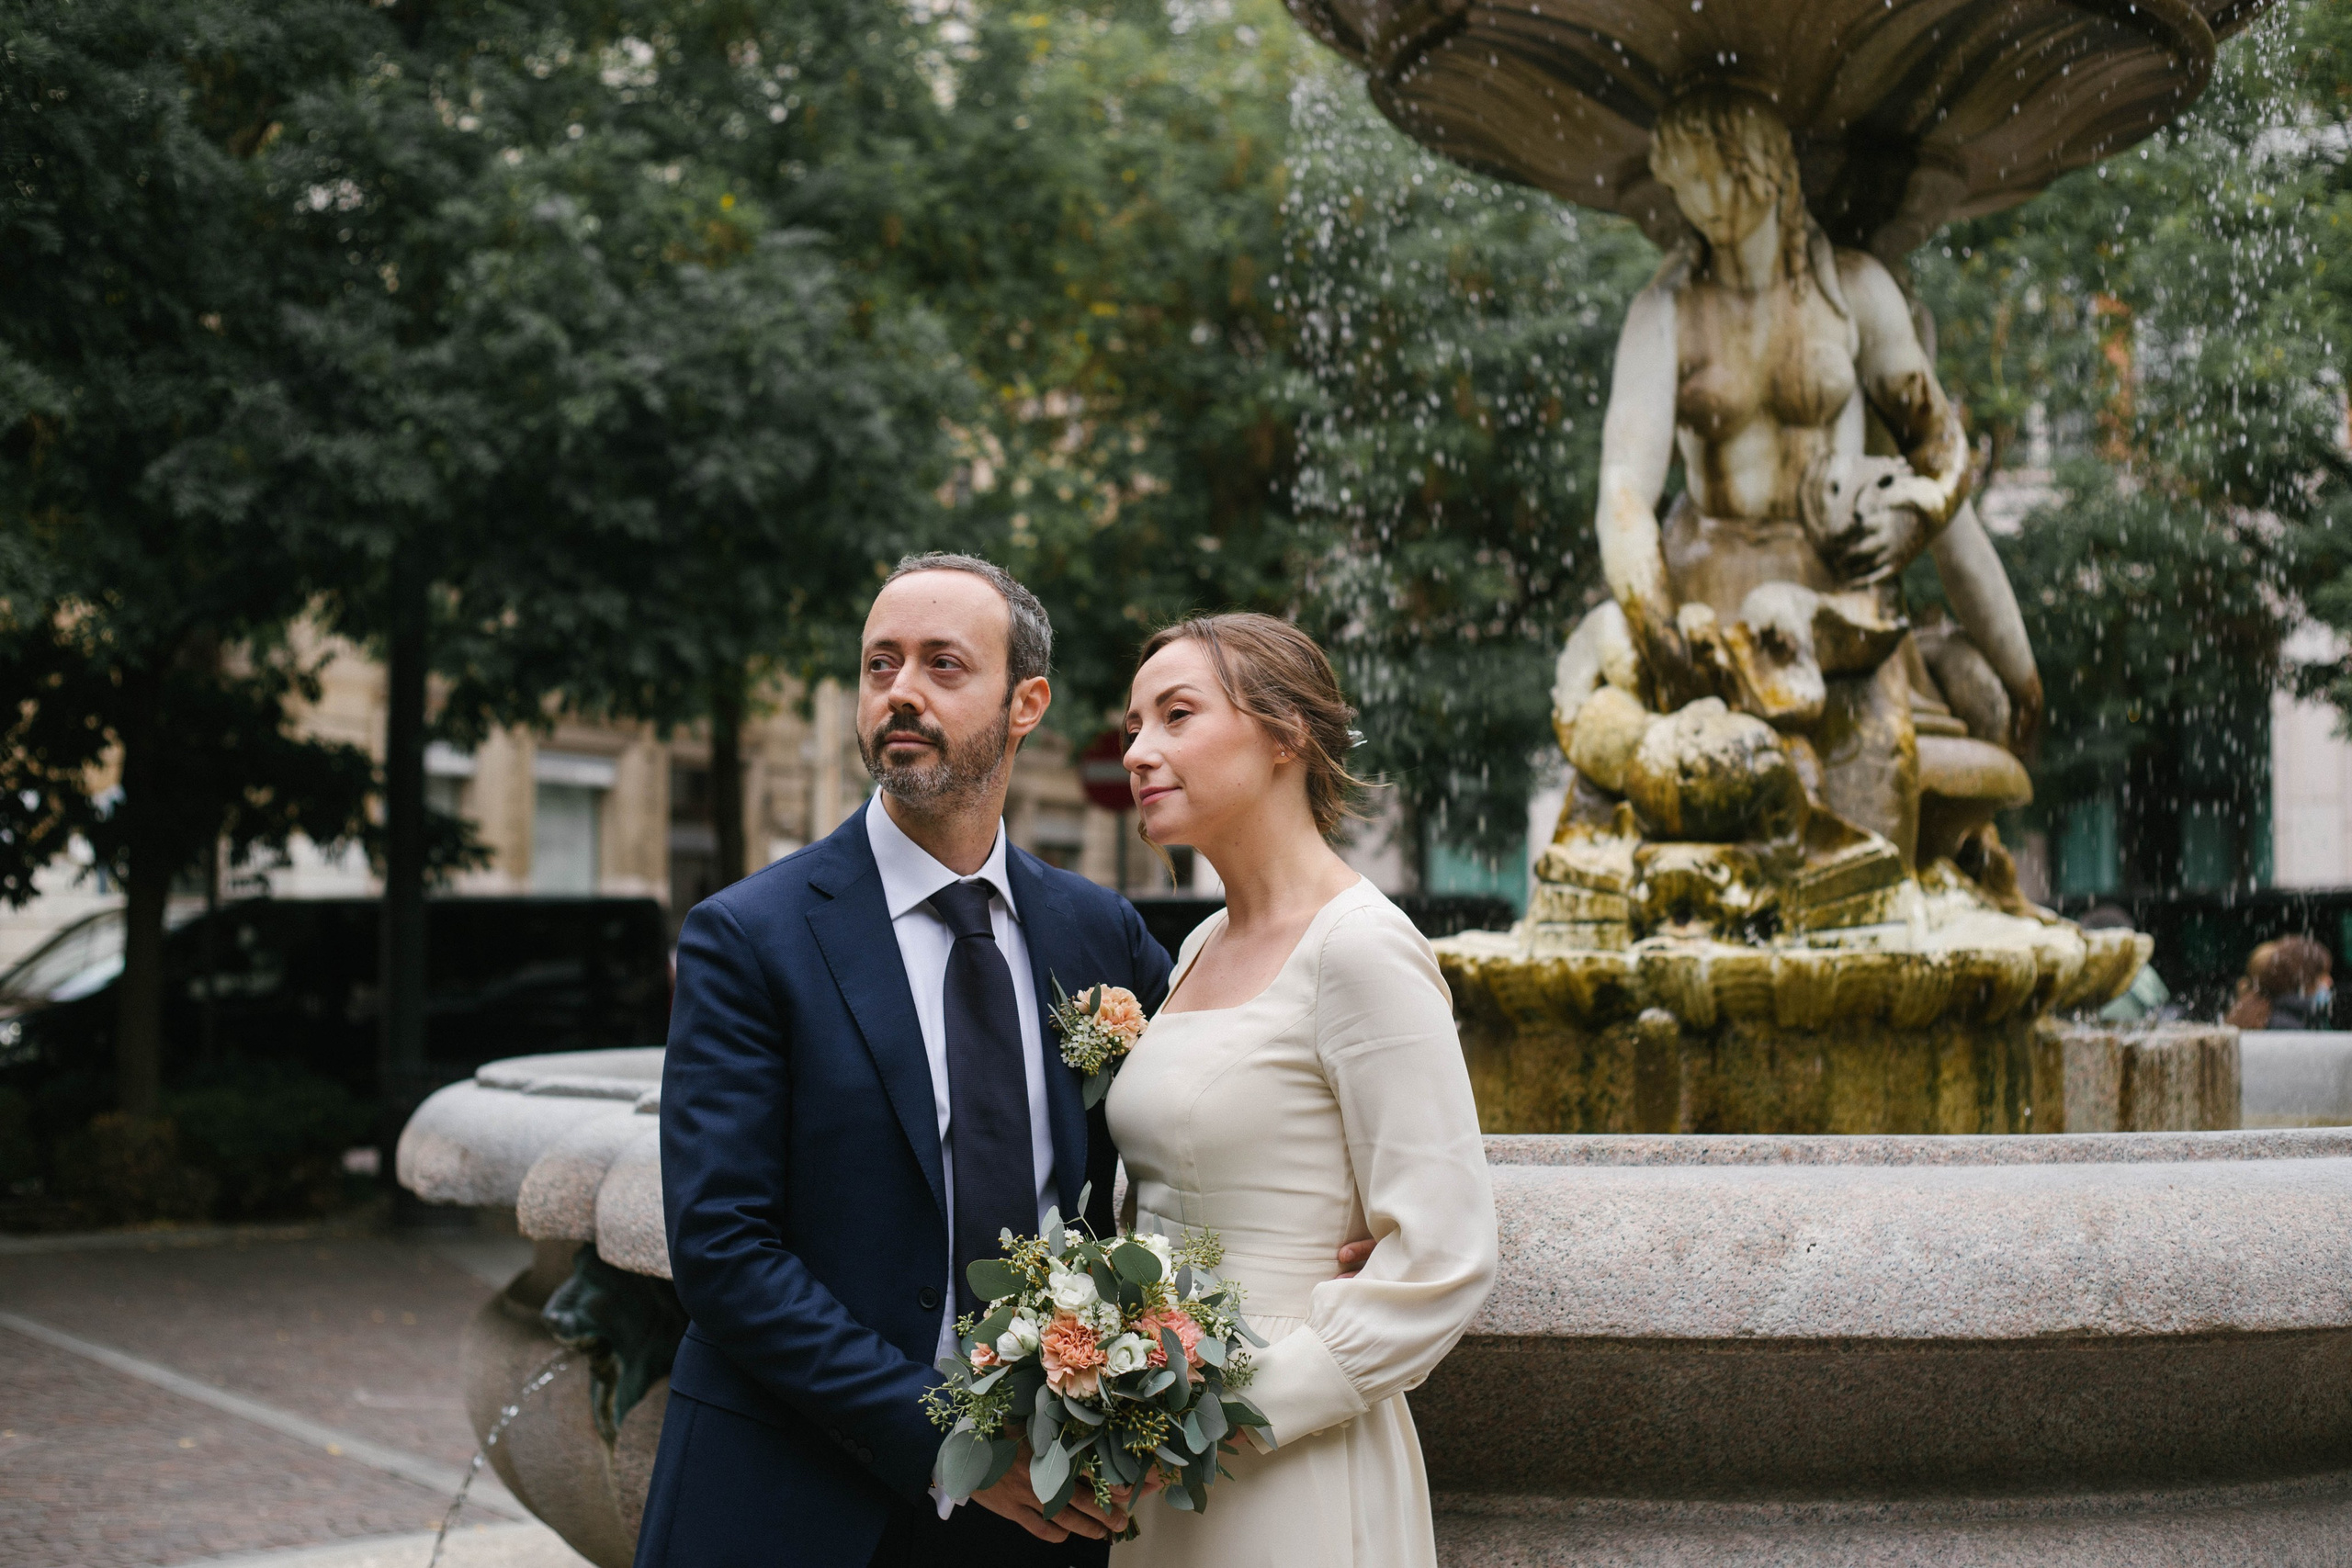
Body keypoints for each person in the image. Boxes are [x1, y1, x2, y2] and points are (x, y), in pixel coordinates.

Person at [635, 555, 1175, 1568]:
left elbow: (1207, 1099)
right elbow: (722, 1251)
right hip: (797, 1498)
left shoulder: (1098, 932)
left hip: (1049, 1507)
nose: (901, 694)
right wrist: (953, 1441)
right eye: (879, 665)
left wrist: (1342, 1207)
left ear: (1027, 702)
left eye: (942, 665)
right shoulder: (748, 936)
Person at [1108, 613, 1499, 1568]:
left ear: (1285, 735)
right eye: (1133, 727)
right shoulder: (1200, 946)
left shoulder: (1359, 947)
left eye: (1176, 715)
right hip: (1157, 1433)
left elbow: (1445, 1254)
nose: (1138, 752)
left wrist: (1235, 1411)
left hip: (1284, 1451)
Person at [2225, 935, 2335, 1032]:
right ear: (2301, 980)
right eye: (2321, 976)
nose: (2329, 982)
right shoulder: (2287, 1026)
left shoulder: (2256, 1011)